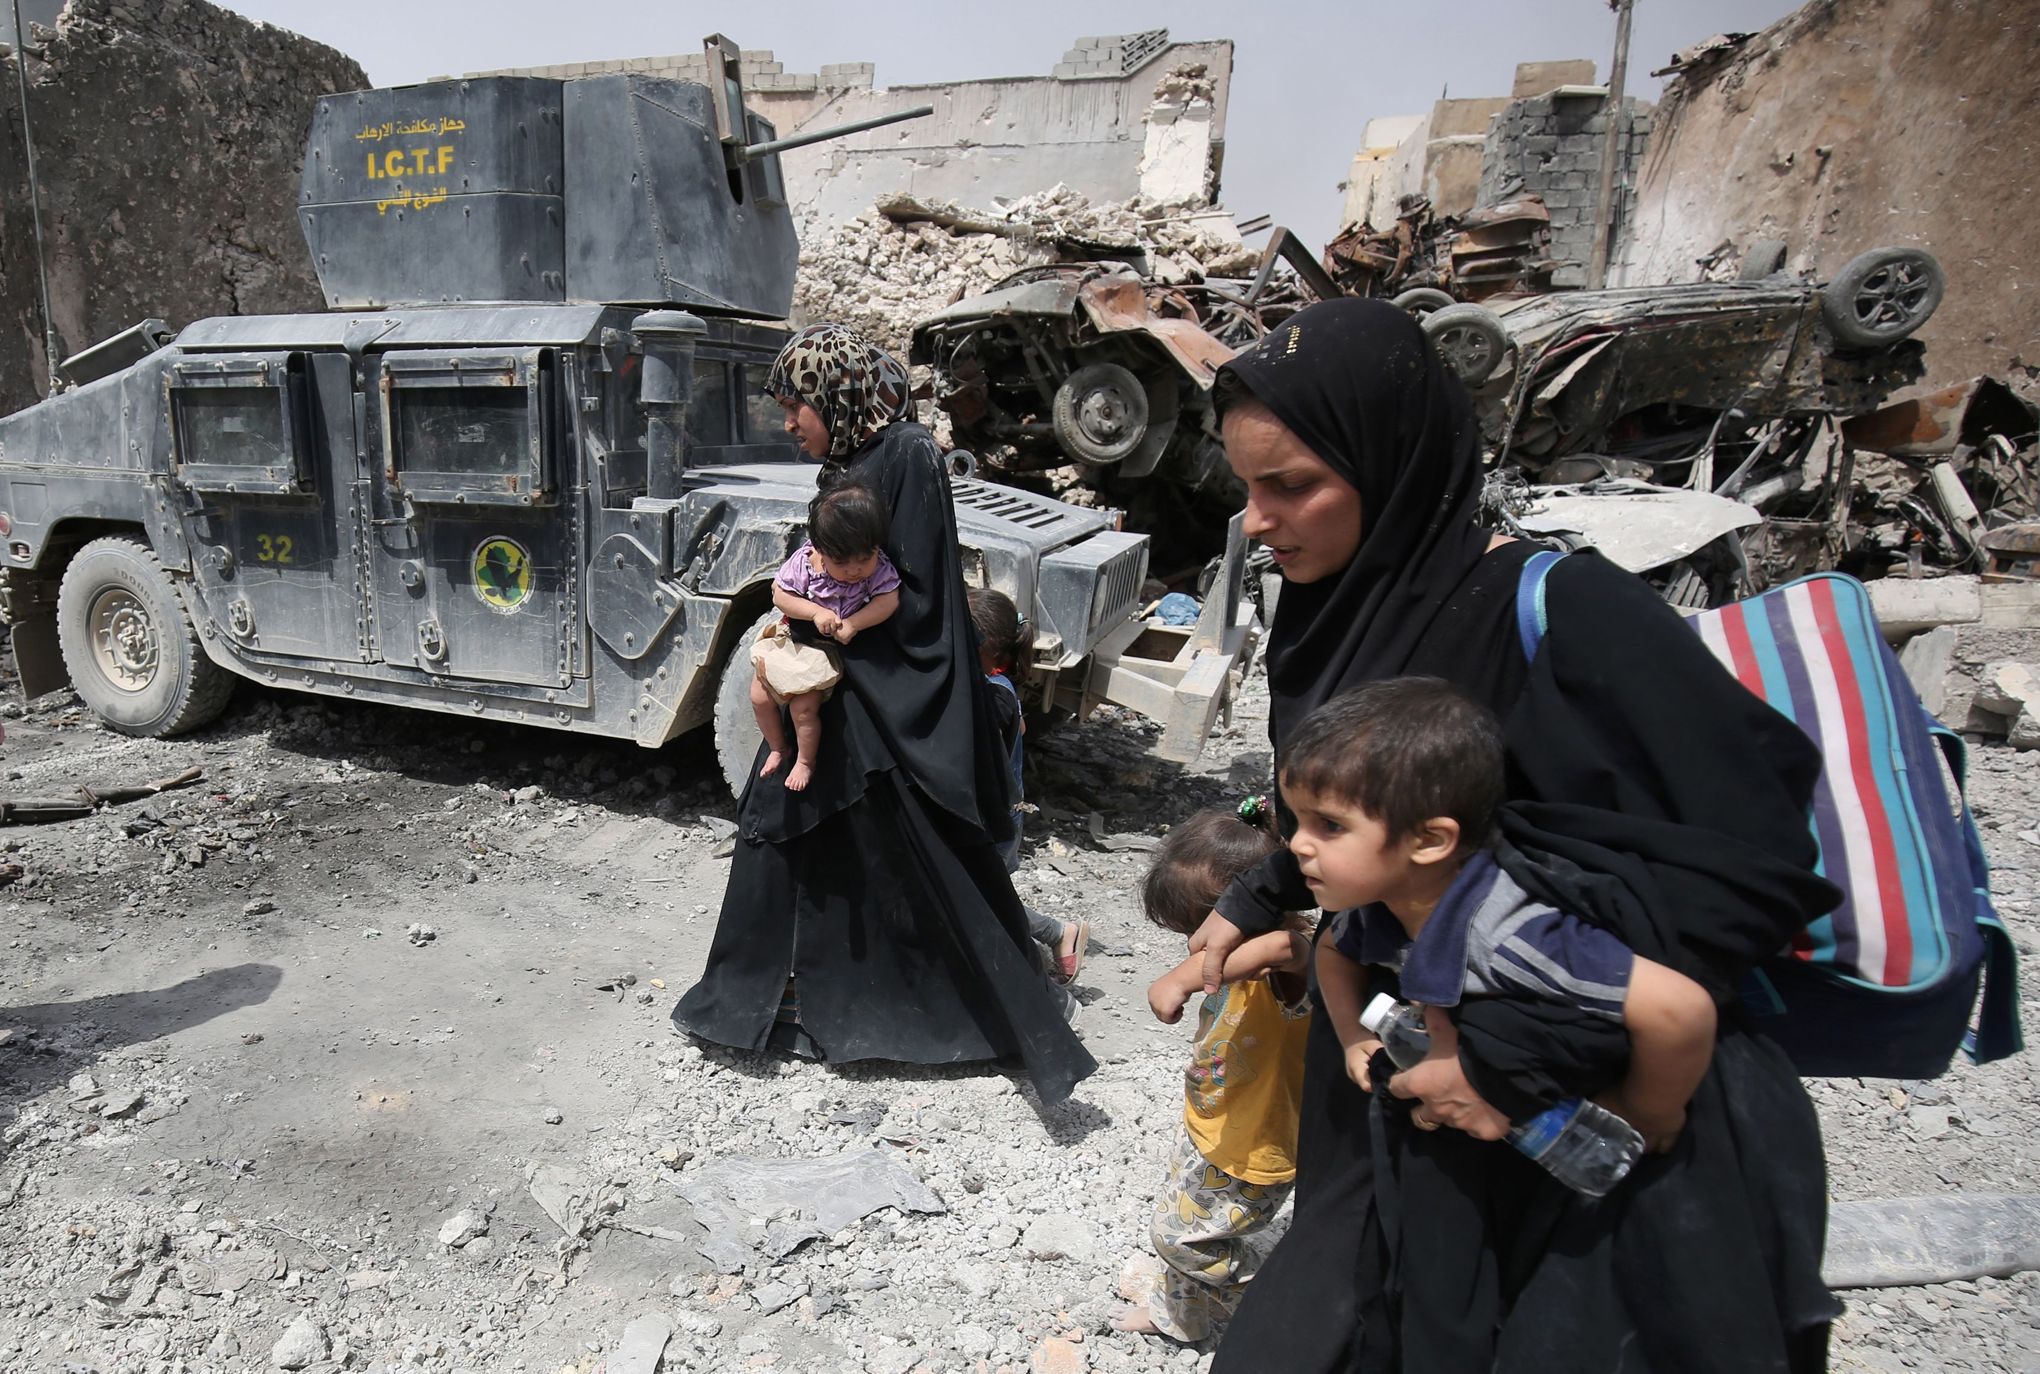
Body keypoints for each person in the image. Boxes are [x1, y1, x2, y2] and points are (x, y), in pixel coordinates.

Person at [1183, 299, 1841, 1372]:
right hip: (1402, 1092)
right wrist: (1262, 892)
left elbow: (1750, 864)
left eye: (1291, 485)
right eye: (1246, 486)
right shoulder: (1335, 607)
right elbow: (1363, 795)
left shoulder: (1568, 612)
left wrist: (1502, 1061)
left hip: (1577, 1129)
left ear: (1393, 461)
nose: (1257, 520)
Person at [674, 323, 1094, 1105]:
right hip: (839, 681)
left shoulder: (905, 455)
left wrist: (835, 645)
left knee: (883, 849)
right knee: (795, 824)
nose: (788, 423)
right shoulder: (858, 456)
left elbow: (919, 596)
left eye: (796, 406)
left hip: (878, 690)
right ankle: (779, 1001)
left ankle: (967, 1013)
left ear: (835, 395)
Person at [1288, 678, 1717, 1155]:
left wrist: (1649, 1111)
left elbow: (1680, 1010)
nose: (1298, 843)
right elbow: (1334, 950)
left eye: (1329, 825)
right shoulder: (1383, 907)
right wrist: (1352, 1035)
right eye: (1298, 821)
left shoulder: (1510, 936)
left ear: (1429, 841)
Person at [1115, 804, 1313, 1344]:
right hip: (1215, 1124)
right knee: (1178, 1215)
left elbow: (1285, 947)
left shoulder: (1288, 963)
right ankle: (1178, 1318)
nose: (1193, 947)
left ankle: (1283, 1306)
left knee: (1181, 1238)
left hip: (1256, 1146)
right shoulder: (1248, 961)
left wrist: (1181, 978)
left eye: (1197, 931)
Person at [968, 586, 1088, 985]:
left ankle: (1056, 935)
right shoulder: (997, 686)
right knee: (981, 896)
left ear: (985, 648)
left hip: (994, 821)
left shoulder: (992, 697)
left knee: (982, 899)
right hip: (997, 817)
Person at [752, 483, 901, 791]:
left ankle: (805, 761)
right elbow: (780, 595)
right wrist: (815, 612)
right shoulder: (806, 562)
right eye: (842, 562)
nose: (855, 570)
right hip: (794, 638)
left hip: (824, 651)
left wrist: (855, 623)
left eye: (865, 558)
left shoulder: (878, 569)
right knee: (759, 696)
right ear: (820, 549)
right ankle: (778, 747)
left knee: (803, 709)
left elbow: (889, 600)